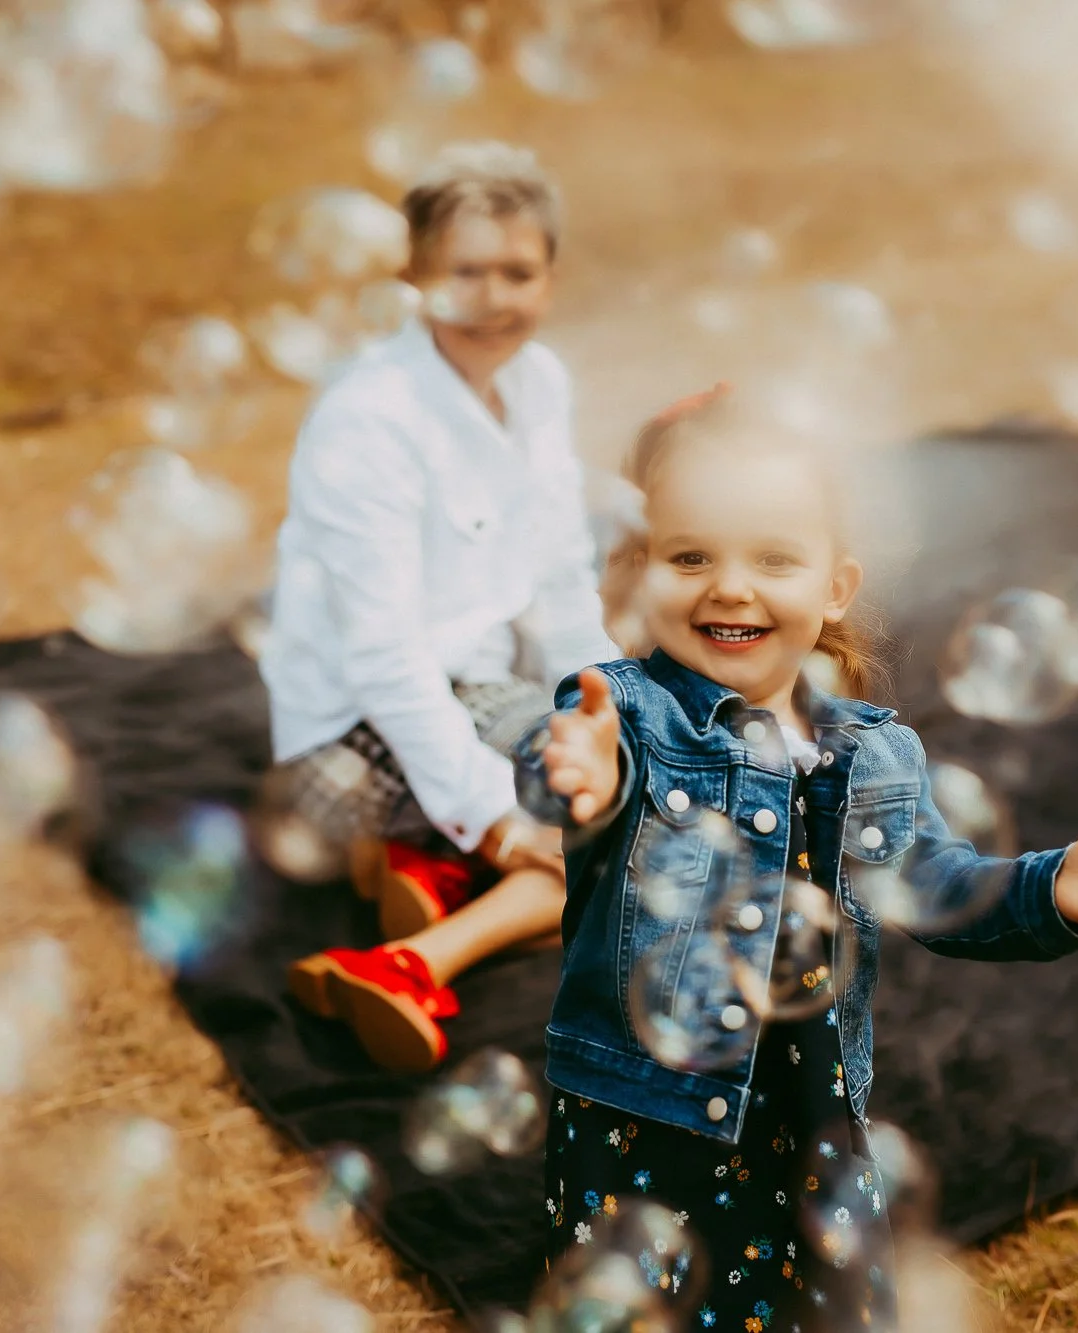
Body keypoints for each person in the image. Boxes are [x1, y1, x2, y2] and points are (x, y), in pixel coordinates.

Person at [519, 392, 1078, 1330]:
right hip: (639, 1125)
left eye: (773, 557)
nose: (730, 587)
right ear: (636, 573)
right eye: (690, 554)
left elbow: (941, 886)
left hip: (807, 1121)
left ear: (835, 584)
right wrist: (568, 768)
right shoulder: (624, 716)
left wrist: (1049, 887)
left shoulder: (873, 754)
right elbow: (581, 772)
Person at [263, 142, 620, 1073]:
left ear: (551, 274)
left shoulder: (539, 384)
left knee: (647, 759)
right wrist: (500, 820)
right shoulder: (367, 422)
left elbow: (560, 578)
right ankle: (407, 959)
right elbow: (385, 658)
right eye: (464, 271)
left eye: (518, 271)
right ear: (414, 277)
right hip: (361, 734)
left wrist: (612, 702)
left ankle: (437, 865)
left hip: (475, 696)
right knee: (641, 832)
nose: (493, 297)